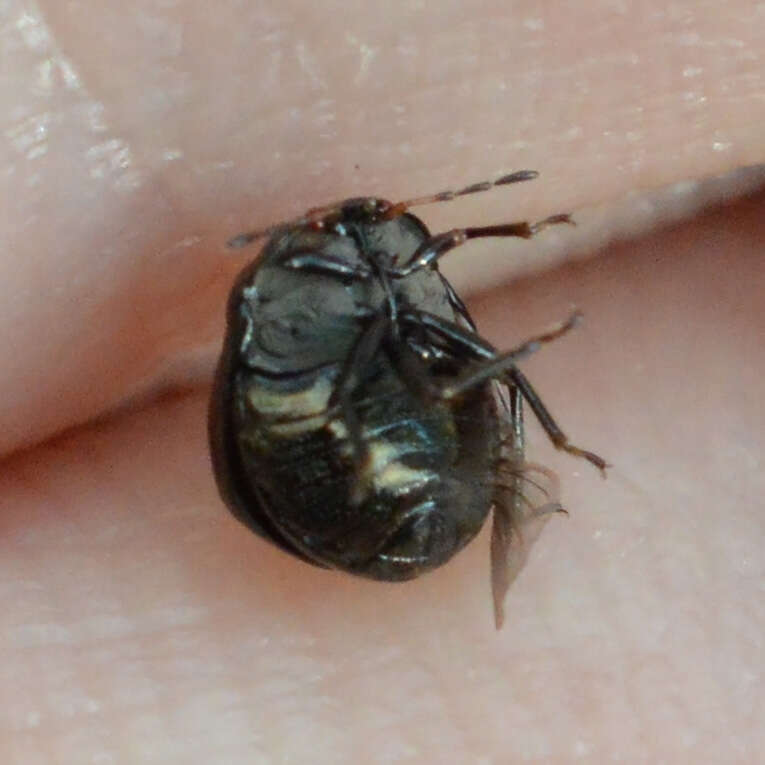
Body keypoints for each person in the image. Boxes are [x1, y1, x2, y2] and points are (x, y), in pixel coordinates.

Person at [1, 2, 763, 761]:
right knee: (450, 366)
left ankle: (537, 425)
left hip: (361, 493)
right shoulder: (312, 300)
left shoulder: (314, 297)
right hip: (342, 485)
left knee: (448, 364)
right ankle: (534, 426)